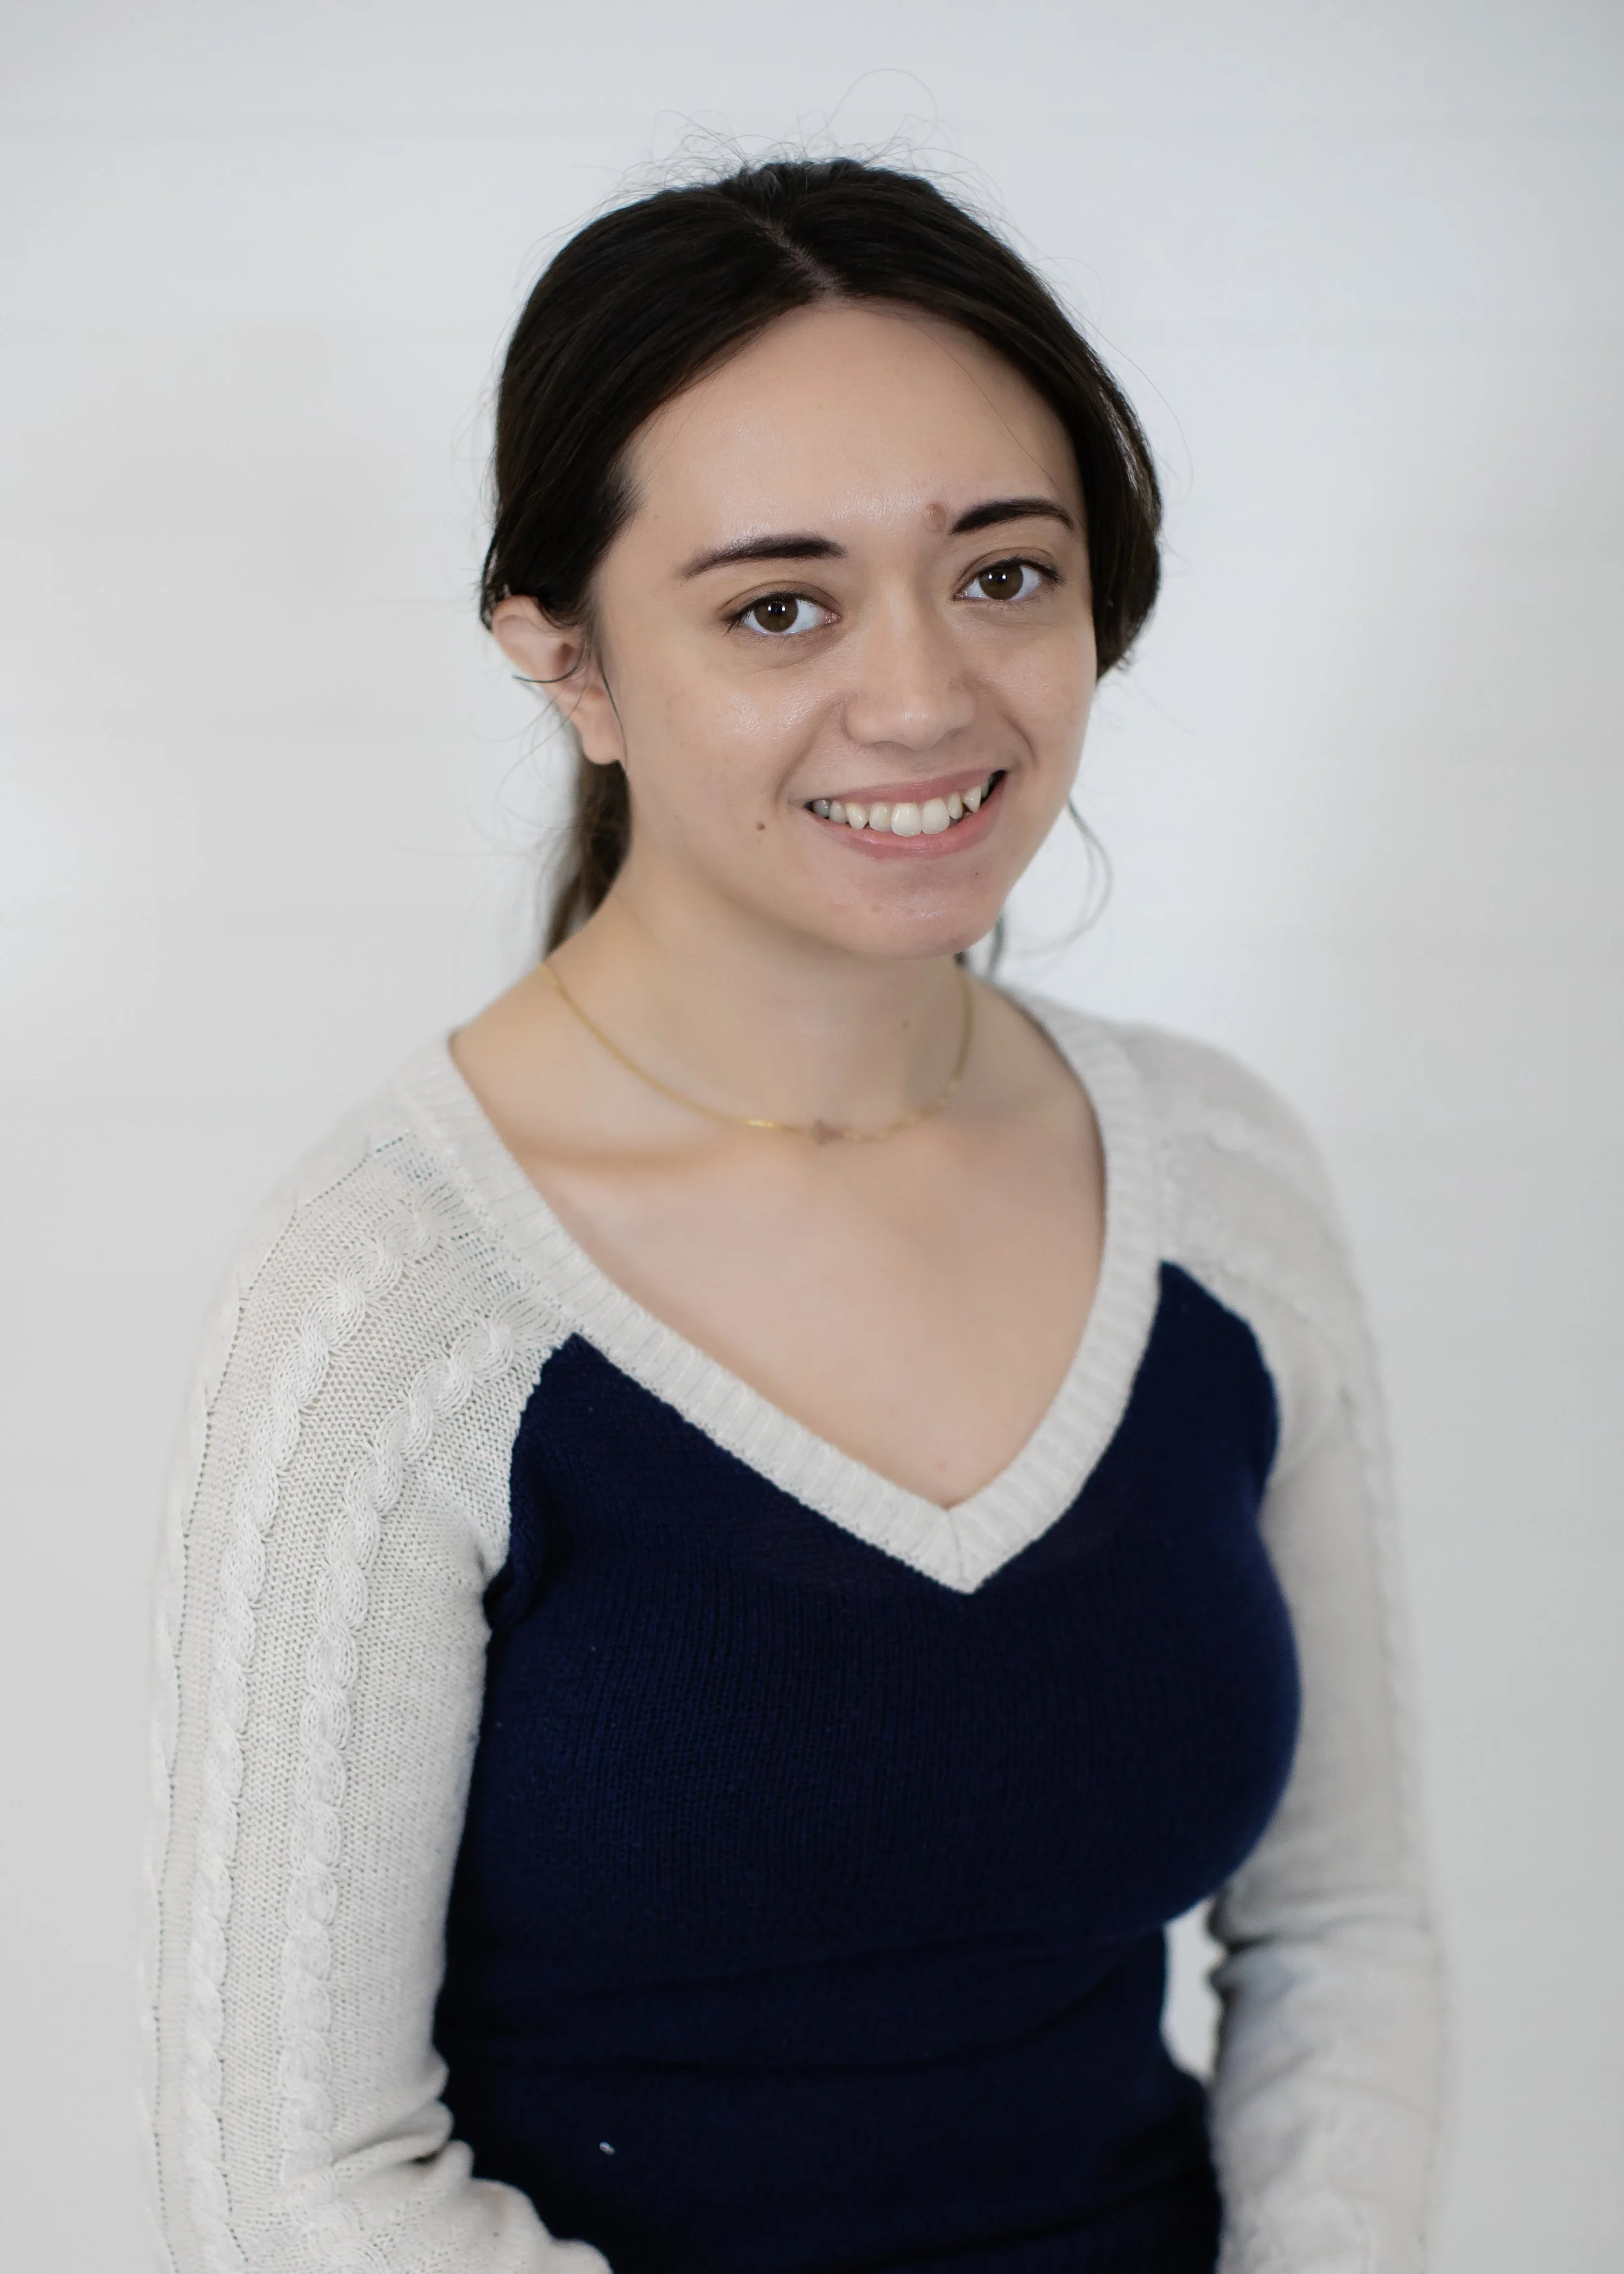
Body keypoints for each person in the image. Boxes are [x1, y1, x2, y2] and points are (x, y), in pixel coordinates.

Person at [142, 157, 1447, 2274]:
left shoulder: (1218, 1185)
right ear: (565, 661)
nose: (927, 697)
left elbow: (1343, 1926)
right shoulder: (395, 1300)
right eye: (778, 604)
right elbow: (290, 2181)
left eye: (1003, 575)